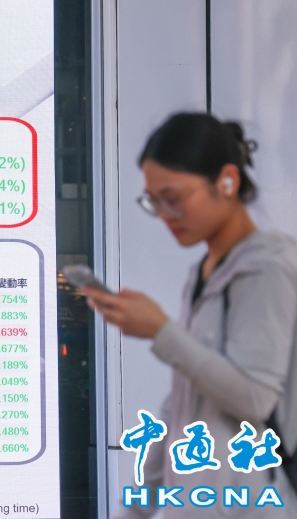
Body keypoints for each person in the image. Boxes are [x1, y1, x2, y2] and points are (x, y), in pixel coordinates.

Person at [84, 113, 297, 517]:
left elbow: (255, 398)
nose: (165, 214)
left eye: (174, 198)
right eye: (154, 201)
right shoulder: (203, 273)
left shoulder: (269, 268)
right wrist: (137, 508)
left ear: (227, 182)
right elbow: (182, 407)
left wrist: (161, 331)